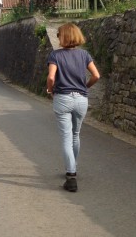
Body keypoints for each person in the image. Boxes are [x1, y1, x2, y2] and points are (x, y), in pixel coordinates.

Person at [47, 22, 100, 192]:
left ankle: (71, 175)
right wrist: (85, 86)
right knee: (76, 134)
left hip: (63, 98)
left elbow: (51, 77)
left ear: (63, 37)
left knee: (66, 137)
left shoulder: (55, 56)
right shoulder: (84, 55)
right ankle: (72, 168)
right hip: (81, 99)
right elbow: (96, 75)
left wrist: (50, 89)